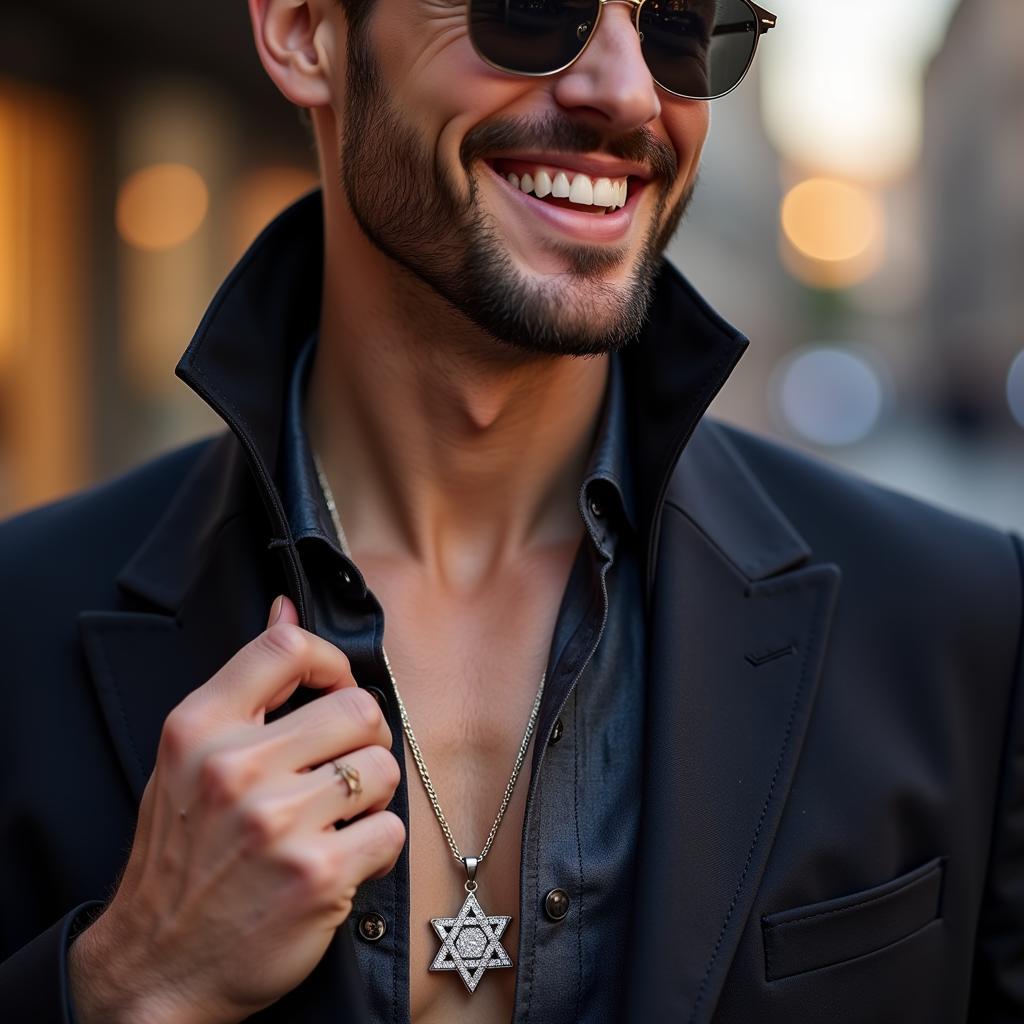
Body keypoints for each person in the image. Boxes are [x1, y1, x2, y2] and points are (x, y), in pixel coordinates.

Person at [0, 0, 1021, 1021]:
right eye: (530, 12)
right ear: (308, 31)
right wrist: (125, 982)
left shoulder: (957, 623)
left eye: (675, 29)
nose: (628, 94)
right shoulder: (21, 623)